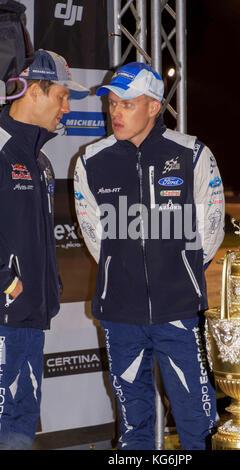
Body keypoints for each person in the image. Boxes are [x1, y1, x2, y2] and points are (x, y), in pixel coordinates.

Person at [74, 62, 225, 450]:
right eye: (112, 104)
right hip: (120, 316)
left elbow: (211, 227)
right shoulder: (91, 161)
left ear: (154, 106)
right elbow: (96, 236)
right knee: (134, 427)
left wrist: (181, 272)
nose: (116, 112)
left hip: (179, 312)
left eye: (127, 103)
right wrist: (119, 269)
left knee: (198, 422)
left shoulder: (192, 153)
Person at [0, 49, 89, 450]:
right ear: (35, 91)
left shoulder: (41, 162)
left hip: (31, 322)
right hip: (4, 321)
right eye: (62, 97)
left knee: (20, 424)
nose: (67, 109)